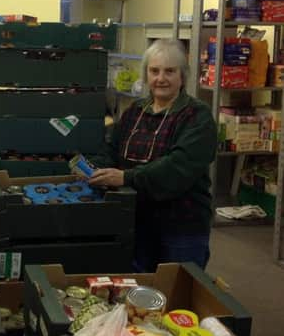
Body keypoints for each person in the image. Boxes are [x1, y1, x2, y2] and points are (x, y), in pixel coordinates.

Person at [88, 38, 217, 272]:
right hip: (137, 221)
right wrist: (92, 168)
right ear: (146, 74)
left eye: (170, 71)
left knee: (178, 290)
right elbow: (112, 149)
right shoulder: (135, 111)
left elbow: (177, 167)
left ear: (182, 76)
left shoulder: (197, 116)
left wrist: (125, 178)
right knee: (139, 292)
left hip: (181, 226)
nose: (161, 79)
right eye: (154, 71)